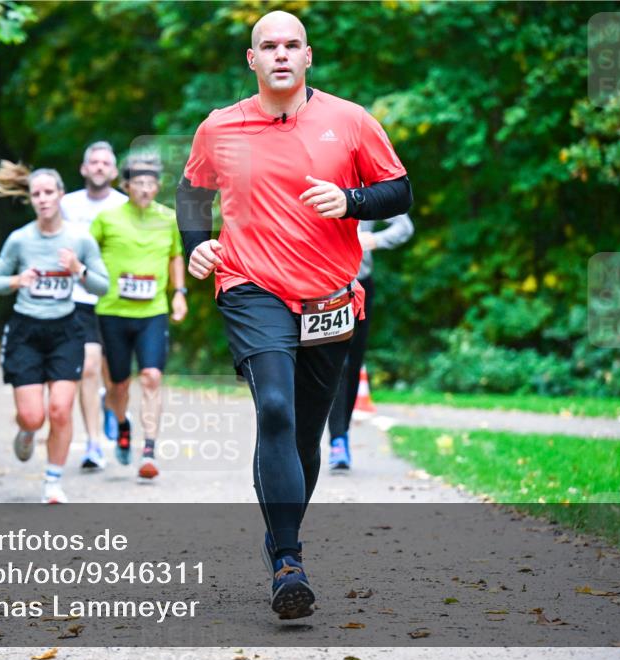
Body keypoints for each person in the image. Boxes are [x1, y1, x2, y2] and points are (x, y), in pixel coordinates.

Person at [176, 11, 412, 619]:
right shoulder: (220, 127)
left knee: (305, 434)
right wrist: (195, 243)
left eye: (291, 45)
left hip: (330, 296)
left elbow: (399, 191)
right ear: (251, 60)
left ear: (308, 56)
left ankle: (278, 529)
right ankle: (288, 561)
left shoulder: (350, 121)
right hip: (250, 285)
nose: (280, 54)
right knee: (274, 409)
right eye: (267, 46)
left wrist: (350, 200)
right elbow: (190, 191)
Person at [0, 161, 109, 504]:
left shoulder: (79, 240)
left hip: (65, 330)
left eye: (48, 192)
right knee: (33, 415)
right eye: (35, 194)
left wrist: (78, 269)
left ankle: (53, 482)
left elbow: (102, 286)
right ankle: (27, 431)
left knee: (59, 408)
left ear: (60, 195)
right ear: (30, 199)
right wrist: (16, 280)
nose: (42, 199)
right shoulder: (20, 240)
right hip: (26, 331)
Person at [91, 154, 188, 480]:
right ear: (126, 185)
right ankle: (121, 425)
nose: (146, 189)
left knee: (151, 377)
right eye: (139, 183)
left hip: (152, 312)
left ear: (158, 186)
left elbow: (176, 256)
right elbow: (86, 253)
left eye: (151, 184)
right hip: (112, 312)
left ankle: (149, 449)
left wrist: (179, 293)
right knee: (118, 384)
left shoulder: (168, 218)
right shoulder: (107, 219)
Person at [60, 141, 129, 470]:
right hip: (79, 298)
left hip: (117, 300)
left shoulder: (126, 205)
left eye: (105, 163)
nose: (99, 167)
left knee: (116, 376)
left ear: (114, 172)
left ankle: (111, 403)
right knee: (87, 367)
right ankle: (93, 445)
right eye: (94, 162)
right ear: (84, 169)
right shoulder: (67, 205)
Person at [327, 214, 414, 471]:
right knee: (336, 363)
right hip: (323, 283)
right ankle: (336, 440)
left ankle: (341, 435)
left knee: (352, 365)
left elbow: (404, 226)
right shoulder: (313, 182)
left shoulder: (367, 190)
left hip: (360, 282)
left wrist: (373, 239)